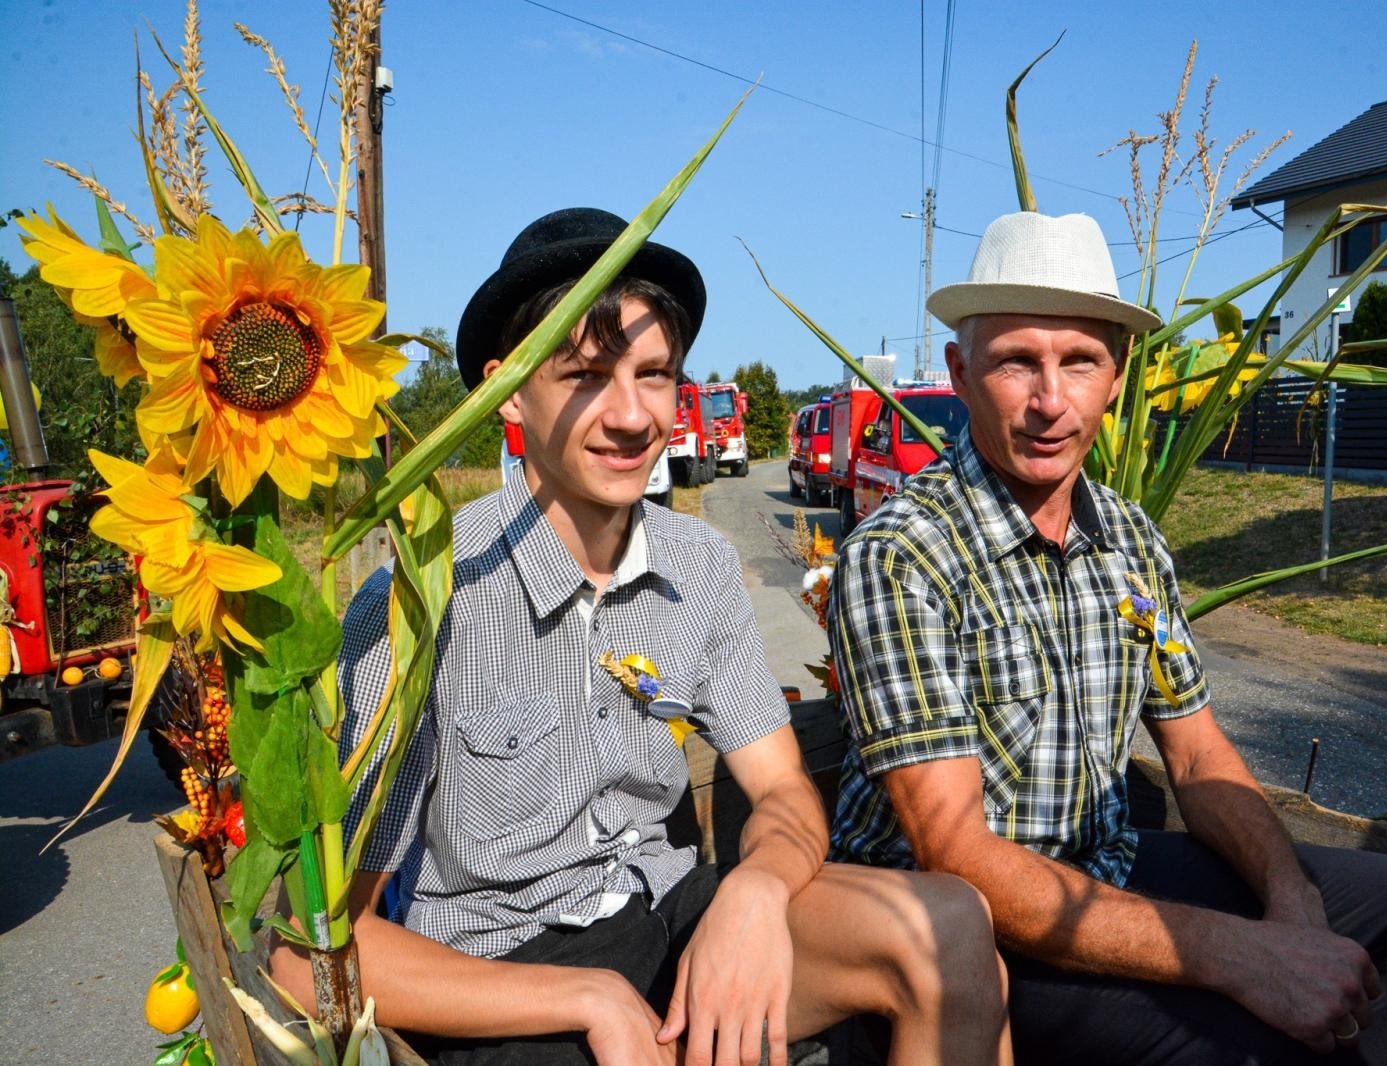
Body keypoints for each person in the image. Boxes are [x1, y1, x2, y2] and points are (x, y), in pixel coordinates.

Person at [272, 208, 1010, 1066]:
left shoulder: (698, 566)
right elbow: (311, 957)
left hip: (667, 918)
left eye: (654, 375)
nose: (630, 415)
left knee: (950, 929)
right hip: (497, 981)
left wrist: (756, 892)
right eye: (586, 374)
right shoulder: (424, 600)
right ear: (508, 389)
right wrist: (587, 996)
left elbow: (780, 791)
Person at [827, 210, 1387, 1065]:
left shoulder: (1128, 538)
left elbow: (1196, 756)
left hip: (1106, 871)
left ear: (1116, 377)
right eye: (1017, 362)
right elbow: (957, 852)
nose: (1051, 402)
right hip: (965, 932)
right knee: (1251, 1038)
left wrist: (1292, 906)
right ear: (960, 372)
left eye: (1080, 361)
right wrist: (1241, 956)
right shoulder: (902, 555)